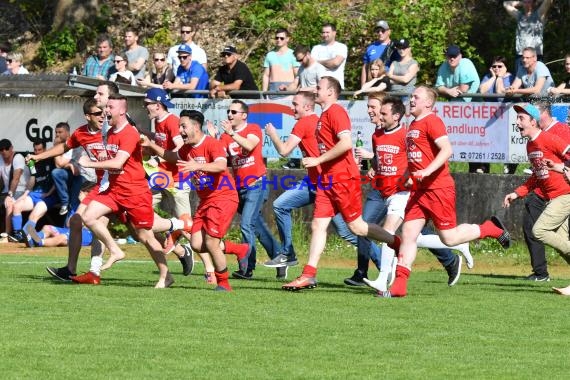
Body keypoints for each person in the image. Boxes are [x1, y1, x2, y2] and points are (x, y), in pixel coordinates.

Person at [381, 86, 511, 298]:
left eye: (416, 97)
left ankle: (491, 228)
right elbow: (418, 156)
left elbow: (447, 150)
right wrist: (407, 175)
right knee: (408, 234)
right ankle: (399, 286)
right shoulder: (413, 123)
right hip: (419, 190)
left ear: (428, 104)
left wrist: (427, 171)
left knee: (449, 239)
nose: (411, 99)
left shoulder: (432, 121)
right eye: (411, 96)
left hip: (438, 189)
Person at [281, 76, 401, 291]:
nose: (315, 90)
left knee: (358, 227)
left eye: (319, 87)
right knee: (318, 225)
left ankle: (395, 242)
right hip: (327, 181)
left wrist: (317, 159)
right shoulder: (323, 115)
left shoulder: (336, 112)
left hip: (343, 179)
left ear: (330, 92)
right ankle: (309, 274)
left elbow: (345, 143)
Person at [350, 94, 472, 292]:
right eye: (373, 109)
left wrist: (413, 176)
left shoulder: (406, 134)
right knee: (395, 234)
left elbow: (417, 159)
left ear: (396, 116)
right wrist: (373, 165)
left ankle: (380, 277)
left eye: (380, 111)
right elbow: (379, 161)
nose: (376, 114)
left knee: (388, 232)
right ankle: (456, 246)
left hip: (402, 191)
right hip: (381, 190)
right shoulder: (376, 134)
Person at [141, 110, 250, 291]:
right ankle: (239, 250)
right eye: (179, 127)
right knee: (197, 244)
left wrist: (198, 165)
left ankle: (223, 284)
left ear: (196, 126)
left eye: (183, 126)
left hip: (223, 198)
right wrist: (151, 144)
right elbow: (170, 156)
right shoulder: (186, 148)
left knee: (212, 243)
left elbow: (221, 165)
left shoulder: (212, 144)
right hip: (206, 200)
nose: (180, 130)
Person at [76, 94, 177, 288]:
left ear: (122, 110)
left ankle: (167, 273)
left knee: (145, 236)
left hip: (134, 193)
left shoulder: (129, 133)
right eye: (106, 107)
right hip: (115, 190)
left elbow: (118, 162)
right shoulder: (111, 132)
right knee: (88, 217)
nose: (106, 111)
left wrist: (90, 162)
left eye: (110, 107)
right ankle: (115, 250)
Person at [263, 91, 363, 277]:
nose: (292, 108)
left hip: (324, 184)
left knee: (350, 231)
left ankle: (384, 258)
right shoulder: (318, 120)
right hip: (316, 182)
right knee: (282, 206)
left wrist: (273, 134)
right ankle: (289, 255)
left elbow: (284, 151)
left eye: (295, 104)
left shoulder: (304, 122)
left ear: (307, 107)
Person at [215, 100, 282, 279]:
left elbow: (249, 146)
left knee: (246, 225)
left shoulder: (252, 129)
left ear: (244, 115)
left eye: (234, 112)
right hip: (239, 188)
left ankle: (247, 268)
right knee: (255, 225)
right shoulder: (225, 136)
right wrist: (214, 139)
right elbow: (219, 158)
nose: (230, 114)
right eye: (228, 111)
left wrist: (230, 133)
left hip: (256, 185)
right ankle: (279, 256)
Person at [506, 102, 570, 282]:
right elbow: (536, 177)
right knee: (560, 242)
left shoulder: (548, 139)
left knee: (539, 231)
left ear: (533, 122)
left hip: (565, 195)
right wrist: (516, 193)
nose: (517, 122)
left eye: (521, 118)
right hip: (553, 198)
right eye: (517, 118)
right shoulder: (530, 146)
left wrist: (560, 167)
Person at [141, 88, 198, 275]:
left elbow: (180, 149)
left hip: (178, 179)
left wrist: (156, 153)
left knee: (188, 228)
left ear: (157, 105)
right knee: (140, 215)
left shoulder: (172, 122)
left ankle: (212, 269)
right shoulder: (158, 122)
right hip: (162, 177)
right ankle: (180, 249)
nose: (144, 107)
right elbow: (164, 149)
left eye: (146, 103)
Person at [436, 44, 484, 173]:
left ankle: (479, 166)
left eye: (454, 56)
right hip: (456, 110)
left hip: (473, 108)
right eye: (449, 56)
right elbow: (438, 87)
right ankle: (445, 167)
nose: (452, 59)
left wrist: (448, 90)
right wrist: (448, 90)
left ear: (460, 56)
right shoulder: (443, 66)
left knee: (475, 139)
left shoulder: (466, 64)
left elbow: (463, 89)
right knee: (451, 139)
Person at [11, 140, 58, 246]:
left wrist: (48, 193)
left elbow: (57, 180)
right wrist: (25, 194)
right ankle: (19, 236)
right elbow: (32, 179)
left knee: (33, 215)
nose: (37, 152)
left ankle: (34, 240)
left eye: (40, 150)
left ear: (45, 149)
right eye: (35, 150)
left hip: (49, 196)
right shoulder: (33, 162)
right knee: (17, 205)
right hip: (35, 194)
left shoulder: (52, 159)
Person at [51, 122, 96, 216]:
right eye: (56, 132)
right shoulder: (63, 145)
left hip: (86, 177)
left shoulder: (72, 144)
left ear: (68, 133)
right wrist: (69, 165)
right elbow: (60, 166)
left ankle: (70, 215)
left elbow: (59, 164)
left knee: (75, 203)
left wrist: (55, 146)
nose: (57, 135)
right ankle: (65, 203)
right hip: (75, 175)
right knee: (56, 173)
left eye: (60, 132)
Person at [503, 0, 554, 71]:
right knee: (519, 80)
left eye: (529, 1)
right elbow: (506, 4)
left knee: (537, 79)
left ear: (533, 3)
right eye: (525, 1)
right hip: (520, 56)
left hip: (536, 56)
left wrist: (537, 1)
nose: (527, 4)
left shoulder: (539, 14)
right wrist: (522, 3)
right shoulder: (519, 16)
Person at [0, 139, 30, 236]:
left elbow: (16, 179)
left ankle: (7, 234)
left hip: (21, 190)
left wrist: (10, 195)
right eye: (1, 149)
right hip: (6, 191)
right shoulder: (0, 159)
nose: (4, 151)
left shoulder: (18, 157)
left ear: (11, 148)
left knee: (9, 203)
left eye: (6, 148)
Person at [262, 28, 299, 98]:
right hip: (272, 92)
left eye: (281, 38)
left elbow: (298, 76)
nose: (278, 40)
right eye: (277, 38)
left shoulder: (293, 54)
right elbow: (266, 75)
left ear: (287, 39)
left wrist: (293, 89)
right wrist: (264, 92)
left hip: (289, 93)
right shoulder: (270, 55)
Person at [361, 20, 398, 86]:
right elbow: (365, 67)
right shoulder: (371, 47)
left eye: (383, 31)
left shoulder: (395, 47)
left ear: (389, 32)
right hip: (372, 84)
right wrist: (363, 85)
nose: (380, 33)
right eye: (378, 31)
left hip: (389, 85)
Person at [311, 23, 348, 89]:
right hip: (318, 87)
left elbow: (335, 63)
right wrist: (328, 63)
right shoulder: (316, 48)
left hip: (336, 87)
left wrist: (319, 62)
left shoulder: (341, 47)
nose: (325, 35)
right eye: (323, 32)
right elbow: (312, 66)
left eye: (327, 32)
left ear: (334, 33)